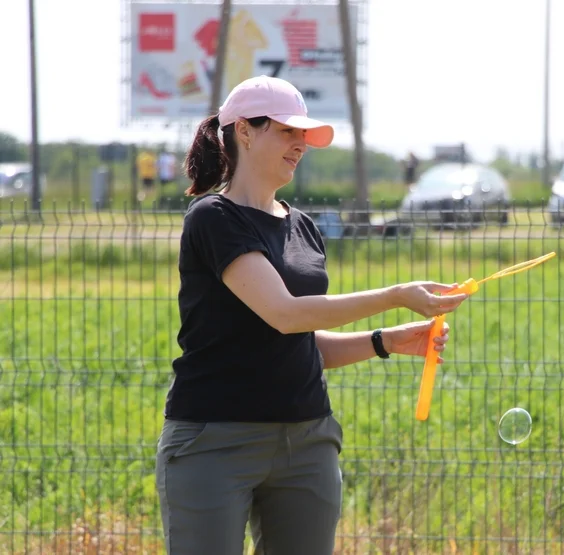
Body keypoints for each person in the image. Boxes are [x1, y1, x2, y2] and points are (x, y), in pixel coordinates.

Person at [155, 75, 470, 555]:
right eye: (287, 131)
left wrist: (386, 341)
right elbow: (285, 313)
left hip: (307, 442)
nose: (301, 145)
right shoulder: (214, 217)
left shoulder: (302, 226)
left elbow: (298, 341)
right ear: (244, 130)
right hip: (214, 441)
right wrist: (397, 294)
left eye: (304, 136)